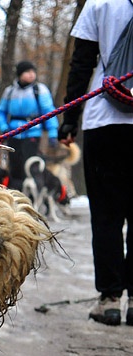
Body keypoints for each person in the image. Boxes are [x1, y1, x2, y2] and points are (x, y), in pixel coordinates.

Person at [59, 0, 133, 326]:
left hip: (105, 121)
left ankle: (110, 299)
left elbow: (82, 63)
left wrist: (69, 120)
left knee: (106, 215)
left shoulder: (101, 2)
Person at [0, 61, 59, 190]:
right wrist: (4, 128)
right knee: (15, 167)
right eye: (27, 72)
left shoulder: (39, 90)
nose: (31, 74)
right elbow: (0, 112)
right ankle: (17, 197)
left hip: (33, 133)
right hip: (13, 134)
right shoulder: (10, 91)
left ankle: (33, 197)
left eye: (33, 71)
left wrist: (53, 133)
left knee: (31, 166)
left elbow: (49, 111)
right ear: (19, 74)